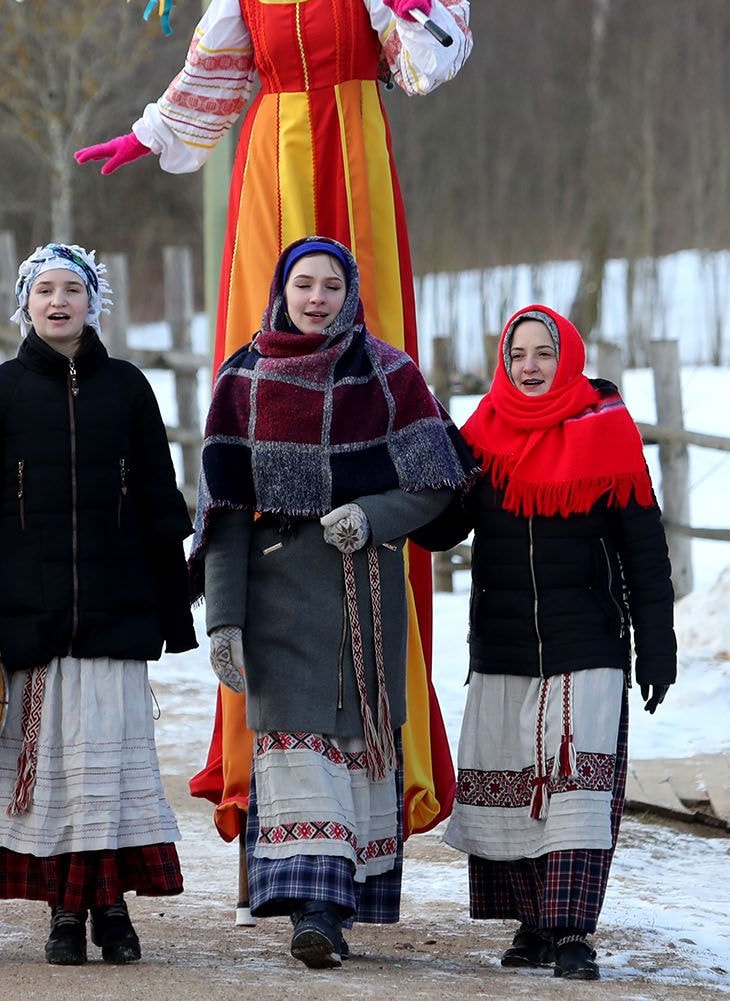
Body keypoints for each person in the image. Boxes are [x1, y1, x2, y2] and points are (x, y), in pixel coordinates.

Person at [75, 0, 474, 846]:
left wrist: (423, 18)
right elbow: (206, 76)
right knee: (267, 341)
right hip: (269, 160)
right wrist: (148, 135)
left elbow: (433, 44)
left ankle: (393, 714)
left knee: (366, 329)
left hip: (354, 142)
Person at [193, 237, 477, 968]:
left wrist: (373, 516)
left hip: (364, 594)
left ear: (349, 293)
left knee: (352, 753)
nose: (316, 298)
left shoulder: (390, 374)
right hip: (275, 597)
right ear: (281, 289)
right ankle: (311, 914)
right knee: (294, 756)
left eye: (330, 285)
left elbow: (439, 480)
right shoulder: (242, 377)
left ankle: (337, 906)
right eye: (304, 284)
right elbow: (223, 513)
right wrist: (223, 618)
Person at [0, 243, 195, 967]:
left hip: (117, 618)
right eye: (44, 289)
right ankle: (61, 911)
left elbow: (159, 507)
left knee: (107, 776)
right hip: (30, 623)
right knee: (50, 773)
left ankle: (111, 908)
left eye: (72, 289)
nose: (58, 301)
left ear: (94, 301)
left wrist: (174, 618)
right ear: (23, 302)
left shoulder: (129, 388)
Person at [412, 305, 676, 982]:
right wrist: (426, 451)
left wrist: (657, 644)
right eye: (517, 354)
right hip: (503, 644)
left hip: (586, 641)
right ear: (503, 362)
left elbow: (644, 548)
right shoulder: (481, 436)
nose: (530, 366)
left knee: (575, 789)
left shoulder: (606, 430)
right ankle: (532, 923)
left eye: (543, 353)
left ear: (569, 358)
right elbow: (443, 532)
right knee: (518, 787)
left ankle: (573, 932)